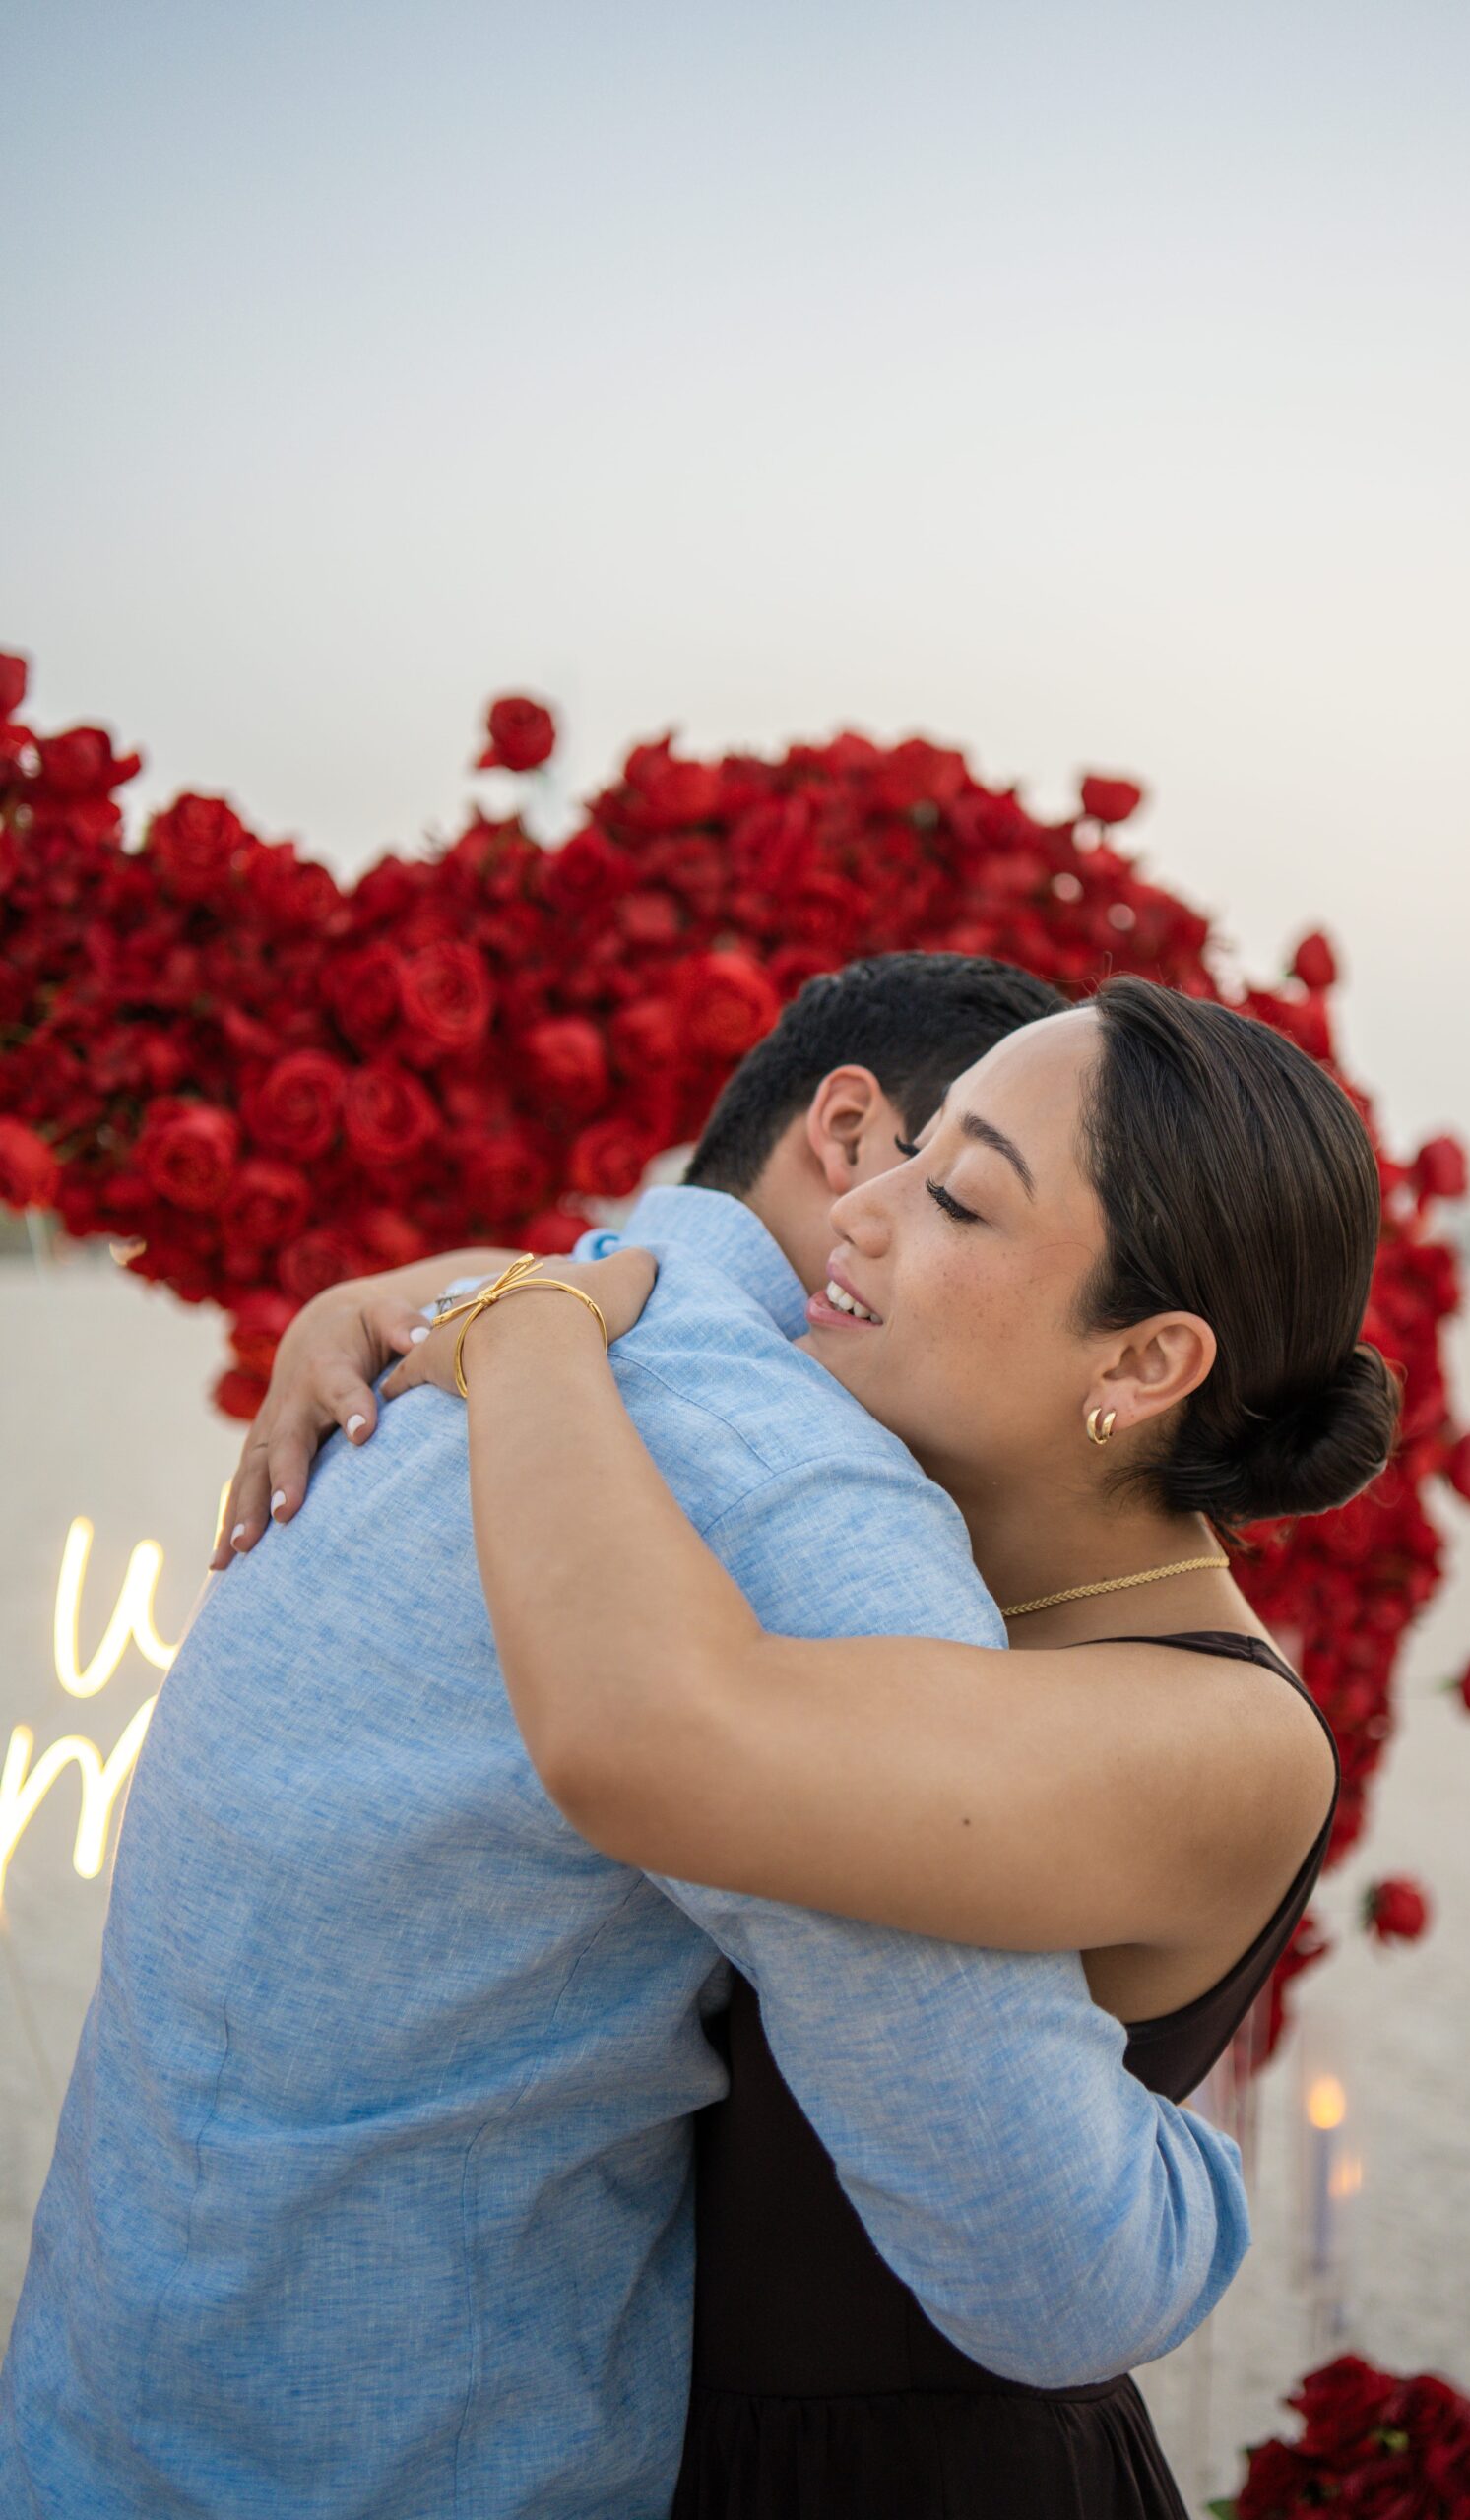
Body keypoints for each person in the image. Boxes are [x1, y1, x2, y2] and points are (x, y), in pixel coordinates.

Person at [0, 955, 1252, 2520]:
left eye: (971, 1199)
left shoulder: (467, 1345)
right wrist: (1205, 2178)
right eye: (931, 1168)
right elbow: (1054, 2273)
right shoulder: (796, 1501)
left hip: (85, 2435)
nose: (899, 1213)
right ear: (850, 1135)